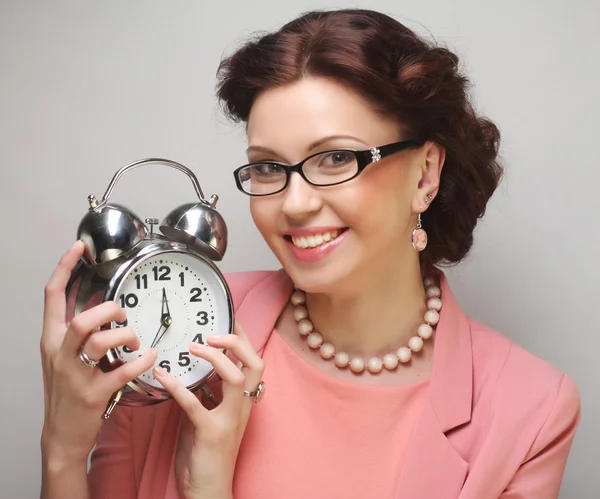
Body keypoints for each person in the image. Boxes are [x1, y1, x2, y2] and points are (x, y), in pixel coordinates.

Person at [40, 8, 581, 499]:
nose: (295, 205)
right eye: (269, 167)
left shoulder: (530, 411)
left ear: (426, 173)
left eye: (335, 158)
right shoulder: (171, 330)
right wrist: (63, 448)